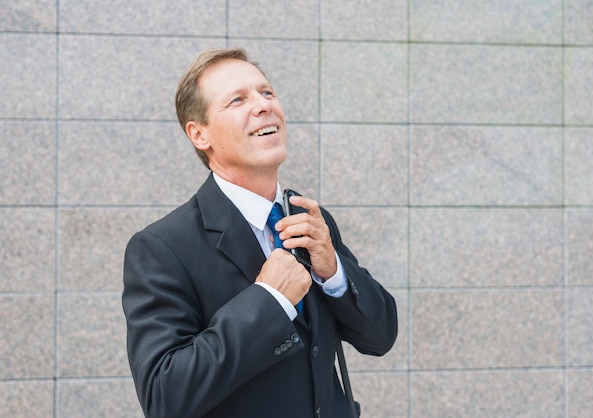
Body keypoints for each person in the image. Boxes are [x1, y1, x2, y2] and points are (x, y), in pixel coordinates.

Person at [122, 48, 398, 418]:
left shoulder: (310, 219)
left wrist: (334, 273)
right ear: (199, 134)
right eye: (238, 99)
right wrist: (270, 301)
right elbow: (165, 396)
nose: (263, 105)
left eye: (266, 93)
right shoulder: (161, 248)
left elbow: (380, 338)